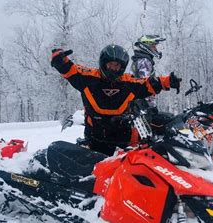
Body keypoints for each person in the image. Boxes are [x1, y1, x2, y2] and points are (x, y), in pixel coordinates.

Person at [51, 44, 181, 156]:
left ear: (122, 66)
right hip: (96, 140)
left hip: (125, 141)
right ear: (103, 63)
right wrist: (59, 59)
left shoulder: (128, 82)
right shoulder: (87, 78)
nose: (113, 68)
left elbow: (148, 83)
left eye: (117, 65)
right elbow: (70, 70)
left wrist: (168, 81)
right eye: (110, 64)